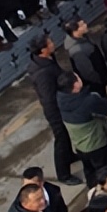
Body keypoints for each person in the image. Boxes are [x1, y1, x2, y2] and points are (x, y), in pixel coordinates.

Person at [27, 35, 83, 187]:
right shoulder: (42, 73)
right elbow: (48, 98)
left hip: (58, 106)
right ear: (43, 50)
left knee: (65, 137)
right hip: (55, 110)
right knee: (61, 139)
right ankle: (63, 173)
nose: (53, 43)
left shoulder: (46, 59)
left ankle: (69, 156)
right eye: (49, 42)